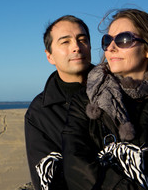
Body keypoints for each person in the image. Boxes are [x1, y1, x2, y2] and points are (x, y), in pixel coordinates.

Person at [62, 9, 148, 190]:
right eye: (107, 40)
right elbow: (76, 167)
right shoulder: (85, 102)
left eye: (123, 39)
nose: (111, 47)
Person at [25, 15, 93, 190]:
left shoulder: (118, 89)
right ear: (50, 56)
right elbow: (47, 180)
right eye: (65, 42)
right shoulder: (40, 112)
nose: (76, 47)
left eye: (82, 40)